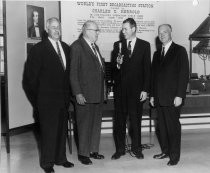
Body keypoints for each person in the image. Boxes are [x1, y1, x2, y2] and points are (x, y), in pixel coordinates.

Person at [22, 17, 74, 173]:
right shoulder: (38, 49)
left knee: (61, 131)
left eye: (58, 27)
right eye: (53, 27)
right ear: (47, 29)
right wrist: (38, 100)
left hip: (63, 100)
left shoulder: (66, 48)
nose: (56, 30)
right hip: (45, 102)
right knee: (48, 133)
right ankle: (47, 163)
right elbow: (29, 80)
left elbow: (67, 76)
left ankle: (61, 158)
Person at [111, 18, 151, 160]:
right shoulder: (118, 45)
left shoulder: (145, 46)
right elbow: (113, 71)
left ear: (133, 29)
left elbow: (147, 70)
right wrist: (117, 65)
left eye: (125, 29)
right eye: (122, 29)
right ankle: (120, 150)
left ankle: (136, 149)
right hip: (120, 92)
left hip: (137, 92)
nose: (123, 32)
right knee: (119, 123)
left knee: (135, 122)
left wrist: (145, 90)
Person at [150, 24, 189, 166]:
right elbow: (154, 77)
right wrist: (153, 96)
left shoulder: (180, 50)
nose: (162, 35)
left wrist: (180, 95)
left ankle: (174, 156)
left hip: (173, 98)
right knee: (162, 128)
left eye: (165, 32)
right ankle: (165, 151)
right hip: (159, 98)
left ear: (171, 32)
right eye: (160, 33)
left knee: (173, 127)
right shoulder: (156, 54)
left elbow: (184, 75)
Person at [70, 20, 105, 165]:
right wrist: (78, 93)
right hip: (84, 94)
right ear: (86, 30)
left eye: (98, 30)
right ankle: (83, 154)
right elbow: (73, 73)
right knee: (84, 124)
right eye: (95, 30)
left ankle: (93, 150)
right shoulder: (77, 46)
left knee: (95, 124)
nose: (98, 33)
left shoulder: (94, 46)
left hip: (97, 93)